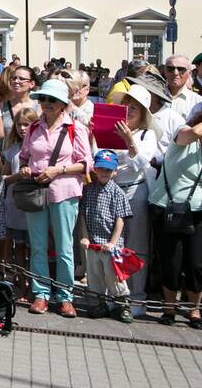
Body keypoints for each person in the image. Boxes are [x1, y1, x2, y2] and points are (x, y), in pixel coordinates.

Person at [19, 79, 91, 317]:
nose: (46, 103)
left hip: (65, 191)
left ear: (62, 104)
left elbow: (85, 164)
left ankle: (65, 296)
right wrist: (25, 168)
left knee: (64, 247)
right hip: (37, 192)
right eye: (43, 99)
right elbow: (24, 155)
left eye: (52, 100)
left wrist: (58, 170)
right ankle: (41, 294)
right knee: (38, 246)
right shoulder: (33, 128)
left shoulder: (75, 128)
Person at [106, 83, 160, 313]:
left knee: (136, 247)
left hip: (136, 191)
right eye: (125, 107)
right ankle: (114, 294)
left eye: (134, 109)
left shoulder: (147, 135)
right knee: (112, 245)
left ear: (143, 114)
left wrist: (129, 141)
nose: (128, 112)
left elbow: (140, 163)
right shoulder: (110, 133)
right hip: (112, 190)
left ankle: (137, 296)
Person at [156, 108, 202, 327]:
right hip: (167, 207)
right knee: (170, 261)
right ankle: (169, 308)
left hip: (198, 212)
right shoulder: (183, 132)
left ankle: (195, 309)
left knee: (196, 264)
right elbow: (189, 134)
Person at [79, 149, 133, 323]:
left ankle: (122, 305)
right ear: (95, 168)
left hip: (111, 246)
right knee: (95, 275)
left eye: (109, 170)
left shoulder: (117, 192)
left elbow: (120, 219)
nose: (104, 173)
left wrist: (113, 242)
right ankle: (100, 303)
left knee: (114, 277)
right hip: (93, 243)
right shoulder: (88, 190)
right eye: (101, 168)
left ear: (115, 171)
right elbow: (83, 215)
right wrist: (85, 237)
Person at [0, 105, 37, 295]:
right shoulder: (13, 149)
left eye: (27, 125)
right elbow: (5, 177)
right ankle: (21, 284)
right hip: (15, 204)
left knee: (34, 248)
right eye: (19, 125)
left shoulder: (40, 145)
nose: (22, 129)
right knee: (18, 247)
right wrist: (18, 176)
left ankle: (35, 284)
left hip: (35, 204)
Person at [165, 54, 202, 120]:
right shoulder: (154, 97)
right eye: (170, 69)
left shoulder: (197, 102)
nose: (175, 73)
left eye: (181, 69)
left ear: (189, 73)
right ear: (165, 71)